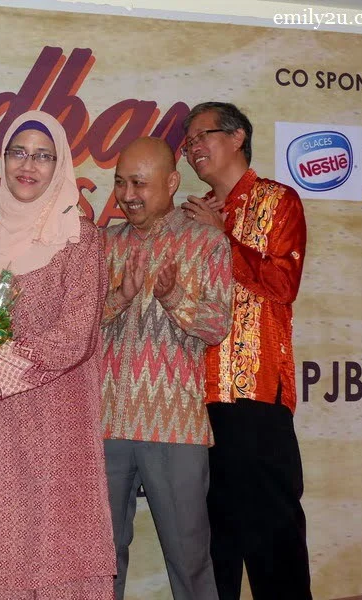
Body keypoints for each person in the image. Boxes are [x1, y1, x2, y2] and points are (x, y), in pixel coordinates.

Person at [0, 110, 117, 600]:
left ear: (60, 166)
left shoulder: (79, 237)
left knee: (55, 542)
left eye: (43, 156)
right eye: (19, 152)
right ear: (3, 159)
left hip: (56, 421)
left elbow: (75, 337)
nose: (28, 165)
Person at [181, 102, 312, 600]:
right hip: (195, 402)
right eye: (188, 142)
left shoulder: (277, 201)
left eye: (202, 135)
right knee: (213, 545)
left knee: (273, 541)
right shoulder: (192, 215)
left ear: (237, 137)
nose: (193, 147)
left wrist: (223, 238)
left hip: (254, 396)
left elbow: (283, 284)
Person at [100, 137, 232, 600]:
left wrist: (173, 297)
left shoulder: (207, 242)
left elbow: (217, 327)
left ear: (172, 182)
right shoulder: (102, 244)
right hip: (105, 424)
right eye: (120, 183)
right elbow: (78, 327)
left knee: (190, 560)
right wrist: (119, 296)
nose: (127, 195)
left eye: (139, 183)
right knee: (99, 562)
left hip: (174, 426)